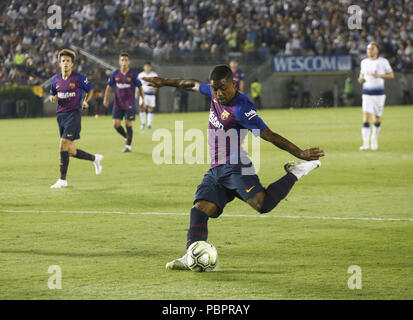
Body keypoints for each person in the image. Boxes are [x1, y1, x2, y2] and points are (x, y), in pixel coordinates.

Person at [142, 65, 324, 270]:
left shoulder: (242, 109)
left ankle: (296, 171)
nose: (219, 94)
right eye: (215, 89)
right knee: (200, 209)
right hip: (216, 168)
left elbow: (269, 135)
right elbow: (191, 84)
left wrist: (299, 153)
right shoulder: (213, 93)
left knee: (262, 205)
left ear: (233, 85)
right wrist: (165, 81)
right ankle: (190, 255)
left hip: (236, 165)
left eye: (223, 89)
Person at [49, 49, 103, 189]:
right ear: (59, 63)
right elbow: (52, 94)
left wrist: (86, 101)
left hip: (73, 115)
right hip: (60, 116)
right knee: (70, 151)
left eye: (68, 61)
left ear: (72, 64)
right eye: (63, 61)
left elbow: (90, 90)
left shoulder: (79, 78)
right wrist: (52, 98)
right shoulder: (55, 79)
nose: (65, 63)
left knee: (62, 145)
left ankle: (62, 180)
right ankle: (95, 159)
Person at [103, 52, 145, 152]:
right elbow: (109, 86)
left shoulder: (133, 74)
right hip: (118, 104)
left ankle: (128, 146)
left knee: (128, 123)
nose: (124, 62)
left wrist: (143, 100)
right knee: (115, 124)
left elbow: (140, 87)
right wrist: (106, 98)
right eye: (122, 60)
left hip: (129, 103)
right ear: (119, 62)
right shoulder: (115, 73)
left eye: (126, 60)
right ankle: (127, 136)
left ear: (129, 62)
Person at [358, 42, 394, 151]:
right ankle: (365, 144)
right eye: (368, 49)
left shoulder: (383, 62)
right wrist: (360, 79)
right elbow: (362, 74)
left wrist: (380, 75)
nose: (370, 50)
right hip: (367, 92)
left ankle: (374, 137)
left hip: (379, 93)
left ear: (377, 50)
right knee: (366, 117)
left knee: (377, 118)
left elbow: (391, 75)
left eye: (372, 48)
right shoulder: (364, 62)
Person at [138, 62, 158, 129]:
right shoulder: (141, 75)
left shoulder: (154, 74)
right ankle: (143, 123)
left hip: (151, 94)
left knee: (150, 109)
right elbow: (138, 85)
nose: (147, 68)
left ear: (150, 67)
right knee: (142, 108)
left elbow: (157, 84)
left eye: (148, 66)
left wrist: (155, 88)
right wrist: (136, 92)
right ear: (144, 67)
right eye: (146, 66)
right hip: (143, 94)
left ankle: (149, 124)